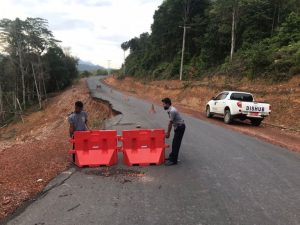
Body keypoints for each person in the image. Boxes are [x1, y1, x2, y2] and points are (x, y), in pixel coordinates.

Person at [162, 97, 186, 166]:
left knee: (176, 144)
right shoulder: (170, 109)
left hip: (180, 127)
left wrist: (168, 133)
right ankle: (171, 156)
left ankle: (174, 160)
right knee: (174, 143)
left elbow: (170, 123)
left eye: (164, 104)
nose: (163, 105)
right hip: (178, 127)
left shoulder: (172, 111)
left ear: (168, 104)